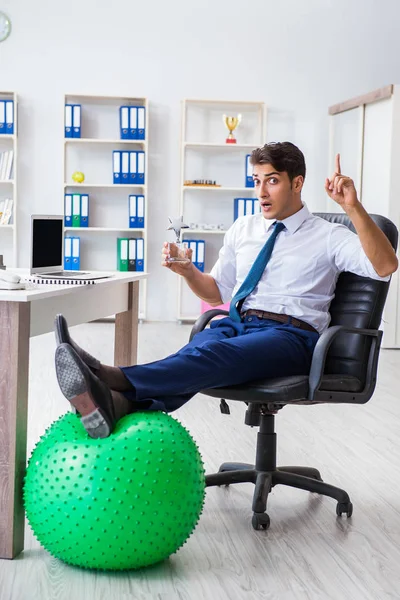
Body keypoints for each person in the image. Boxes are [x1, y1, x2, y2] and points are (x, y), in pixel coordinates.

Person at [54, 142, 398, 439]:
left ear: (298, 183)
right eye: (257, 181)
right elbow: (216, 293)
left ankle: (107, 376)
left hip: (292, 337)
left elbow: (385, 266)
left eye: (273, 181)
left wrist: (351, 207)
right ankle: (118, 403)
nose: (261, 192)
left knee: (209, 357)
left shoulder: (328, 235)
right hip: (239, 324)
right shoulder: (243, 228)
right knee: (199, 349)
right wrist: (188, 271)